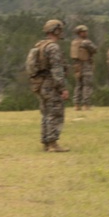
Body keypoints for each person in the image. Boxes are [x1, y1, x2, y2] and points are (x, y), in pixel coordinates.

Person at [28, 19, 70, 152]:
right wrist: (62, 88)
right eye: (60, 29)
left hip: (40, 84)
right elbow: (57, 69)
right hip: (50, 84)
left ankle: (46, 142)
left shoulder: (40, 45)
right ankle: (53, 143)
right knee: (55, 112)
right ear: (56, 30)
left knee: (46, 113)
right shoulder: (53, 47)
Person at [69, 24, 97, 111]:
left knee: (78, 85)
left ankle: (76, 104)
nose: (85, 33)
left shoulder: (74, 42)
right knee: (87, 85)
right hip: (85, 65)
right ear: (79, 33)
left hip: (77, 66)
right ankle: (86, 104)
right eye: (83, 32)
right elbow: (95, 50)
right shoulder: (86, 42)